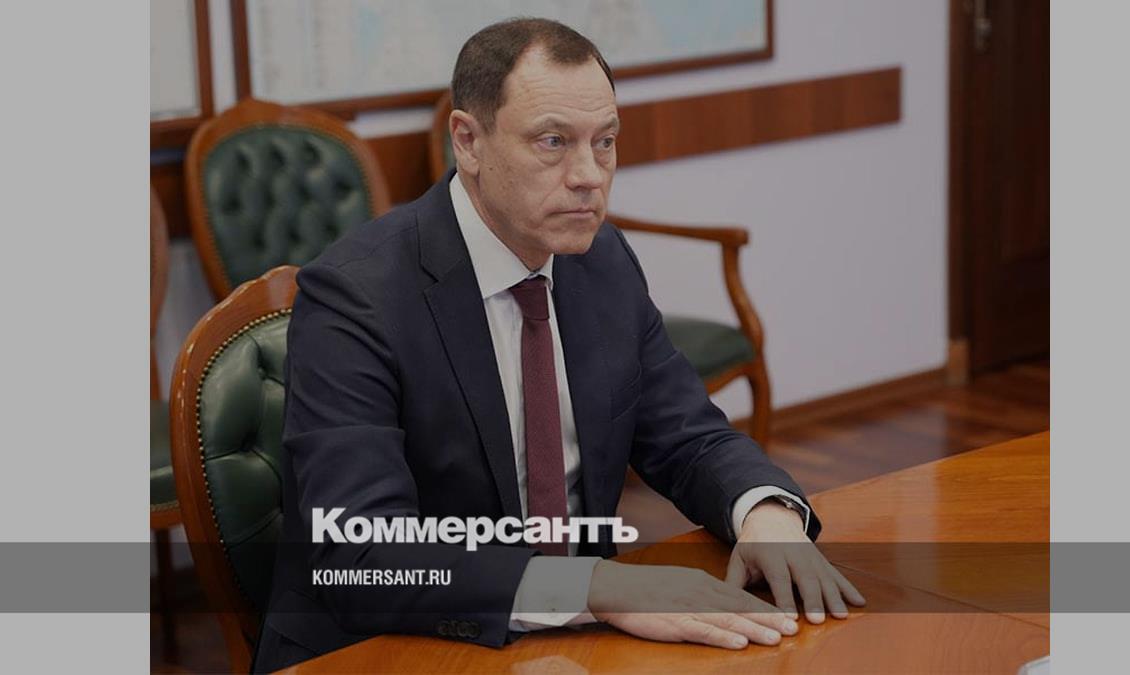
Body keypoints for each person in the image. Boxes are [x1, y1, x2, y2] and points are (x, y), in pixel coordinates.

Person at [254, 17, 863, 673]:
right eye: (553, 142)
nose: (589, 176)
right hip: (395, 648)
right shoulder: (356, 297)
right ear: (468, 141)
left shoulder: (601, 261)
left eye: (605, 142)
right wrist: (597, 586)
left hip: (576, 640)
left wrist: (764, 511)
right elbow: (363, 555)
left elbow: (688, 434)